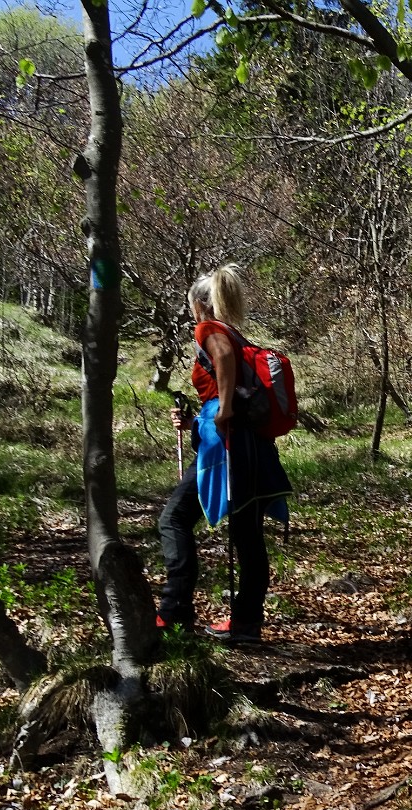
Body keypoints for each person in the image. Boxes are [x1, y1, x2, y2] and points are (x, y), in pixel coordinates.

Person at [157, 264, 291, 644]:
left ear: (200, 305)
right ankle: (246, 624)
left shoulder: (210, 329)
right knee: (248, 537)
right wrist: (196, 419)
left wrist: (224, 409)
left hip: (228, 448)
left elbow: (223, 365)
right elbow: (219, 382)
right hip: (251, 448)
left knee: (174, 519)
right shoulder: (234, 332)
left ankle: (174, 611)